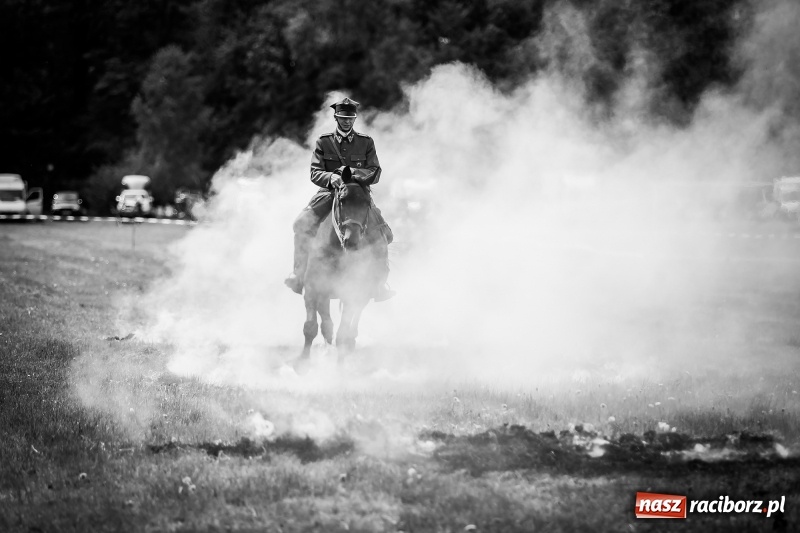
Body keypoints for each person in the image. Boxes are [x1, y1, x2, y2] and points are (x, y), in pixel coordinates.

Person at [285, 97, 395, 301]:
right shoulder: (324, 142)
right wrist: (331, 177)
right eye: (343, 117)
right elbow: (315, 172)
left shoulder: (366, 142)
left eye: (350, 117)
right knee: (300, 224)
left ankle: (379, 284)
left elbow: (375, 171)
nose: (347, 121)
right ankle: (298, 274)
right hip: (329, 193)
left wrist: (353, 174)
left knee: (384, 235)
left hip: (358, 193)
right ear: (336, 117)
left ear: (354, 118)